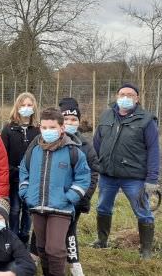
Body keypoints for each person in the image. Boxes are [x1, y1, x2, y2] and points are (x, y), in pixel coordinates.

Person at [92, 83, 160, 260]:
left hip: (134, 177)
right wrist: (97, 164)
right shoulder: (106, 115)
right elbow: (97, 142)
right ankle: (102, 240)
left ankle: (145, 250)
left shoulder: (146, 120)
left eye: (130, 95)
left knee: (143, 210)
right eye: (123, 94)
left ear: (137, 99)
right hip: (108, 174)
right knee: (102, 207)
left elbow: (154, 149)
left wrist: (152, 178)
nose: (126, 97)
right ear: (117, 96)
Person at [19, 108, 90, 276]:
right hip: (37, 206)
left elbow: (83, 177)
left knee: (55, 248)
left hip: (61, 208)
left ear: (61, 128)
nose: (47, 131)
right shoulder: (33, 151)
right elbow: (24, 170)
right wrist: (25, 192)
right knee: (42, 247)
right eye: (44, 127)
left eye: (52, 127)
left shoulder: (73, 152)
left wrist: (70, 197)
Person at [58, 97, 100, 276]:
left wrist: (82, 198)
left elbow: (93, 174)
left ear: (78, 122)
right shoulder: (50, 142)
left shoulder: (86, 146)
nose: (69, 123)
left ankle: (74, 263)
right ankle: (36, 257)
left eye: (73, 120)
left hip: (74, 199)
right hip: (52, 198)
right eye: (65, 119)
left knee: (70, 231)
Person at [0, 92, 40, 244]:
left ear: (34, 107)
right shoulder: (8, 129)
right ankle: (13, 237)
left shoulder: (38, 129)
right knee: (15, 209)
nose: (26, 108)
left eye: (29, 105)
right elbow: (3, 155)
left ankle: (24, 238)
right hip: (14, 177)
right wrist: (12, 170)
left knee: (28, 210)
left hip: (32, 178)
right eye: (23, 105)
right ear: (17, 107)